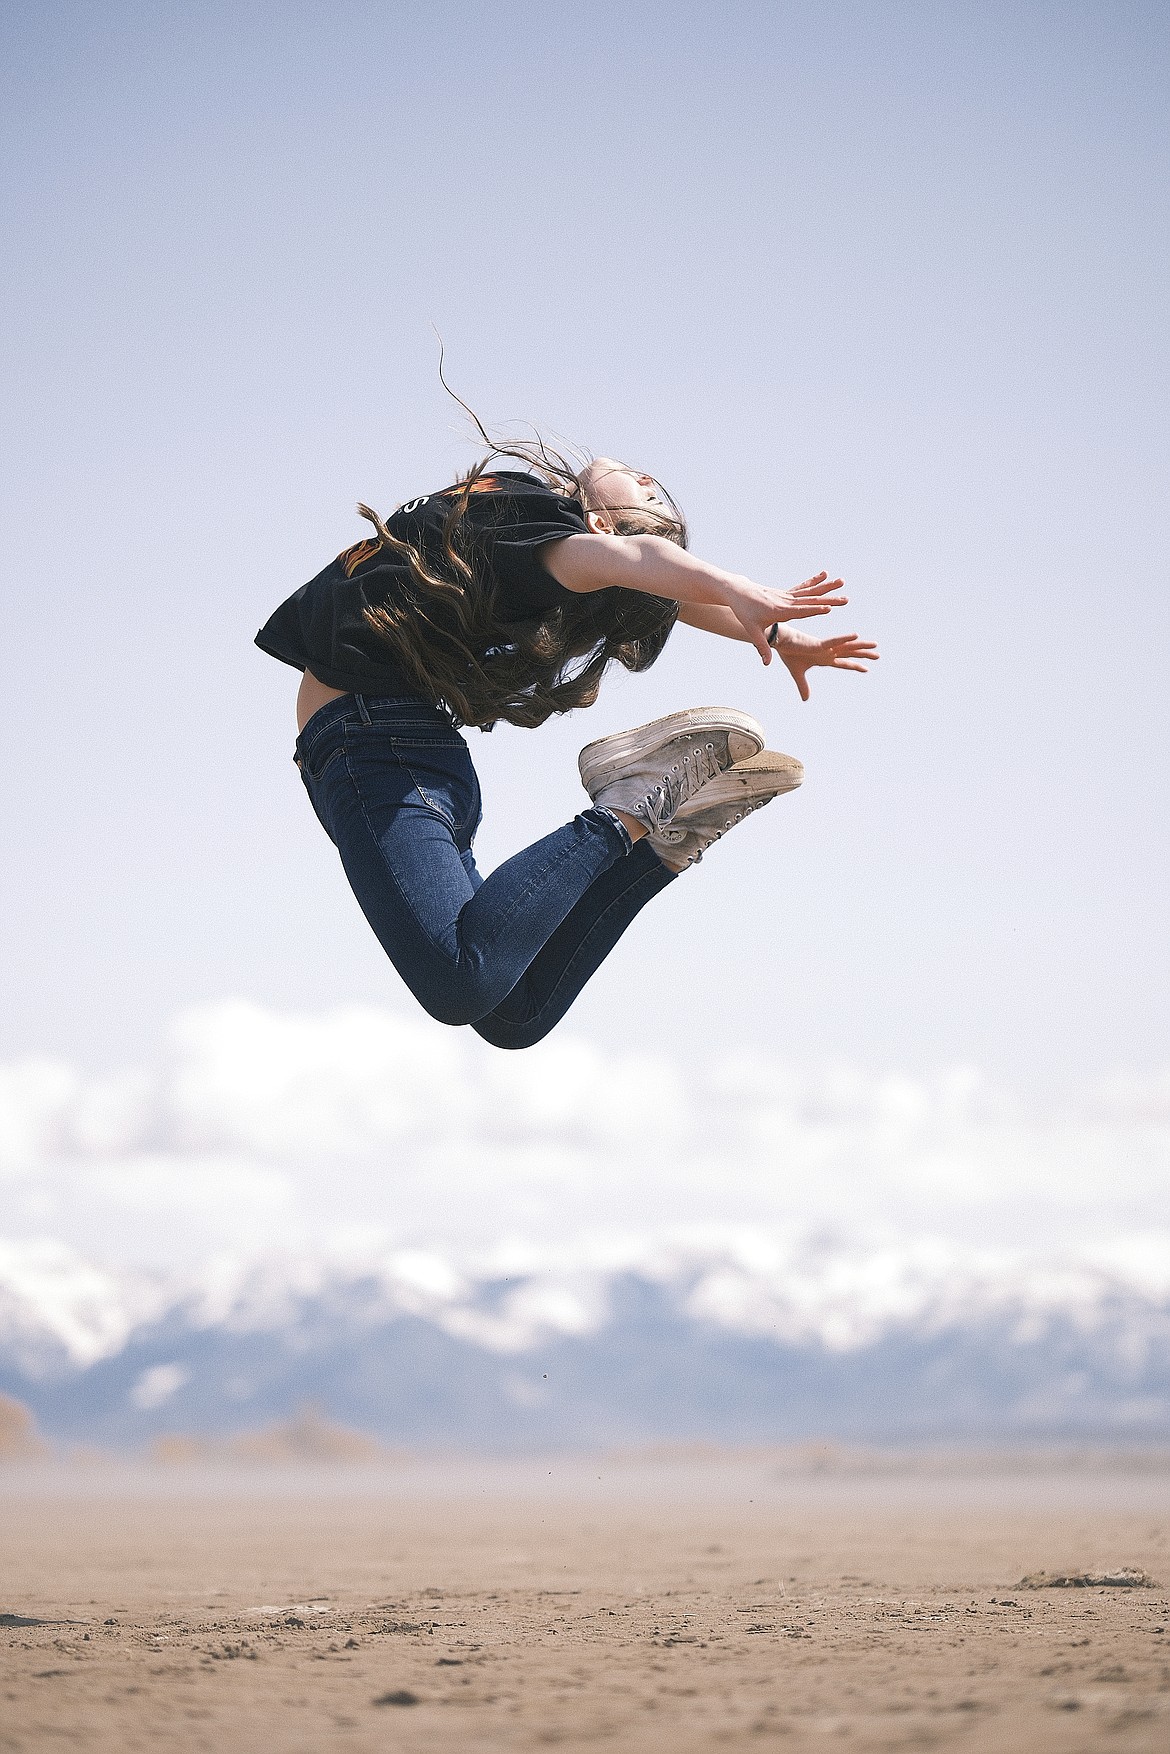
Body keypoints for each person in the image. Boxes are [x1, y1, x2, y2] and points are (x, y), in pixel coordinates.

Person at [256, 439, 877, 1050]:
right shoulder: (527, 532)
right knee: (515, 1013)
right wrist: (771, 632)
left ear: (601, 524)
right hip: (413, 753)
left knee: (459, 984)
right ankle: (656, 836)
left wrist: (743, 593)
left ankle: (628, 807)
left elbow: (641, 561)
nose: (642, 471)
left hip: (374, 747)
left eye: (645, 489)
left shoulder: (547, 531)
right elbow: (651, 581)